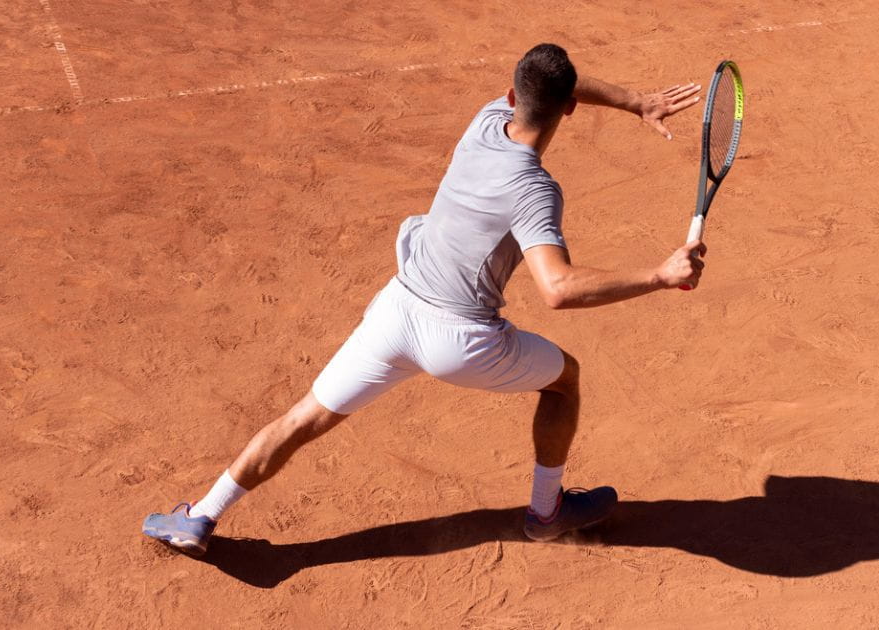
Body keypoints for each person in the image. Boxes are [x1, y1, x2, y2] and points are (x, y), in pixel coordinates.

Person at [143, 43, 706, 555]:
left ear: (513, 97)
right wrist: (659, 275)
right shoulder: (536, 191)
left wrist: (636, 101)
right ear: (570, 110)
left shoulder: (484, 122)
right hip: (462, 342)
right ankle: (545, 512)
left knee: (305, 417)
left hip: (394, 313)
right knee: (565, 380)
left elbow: (553, 82)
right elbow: (556, 288)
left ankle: (199, 515)